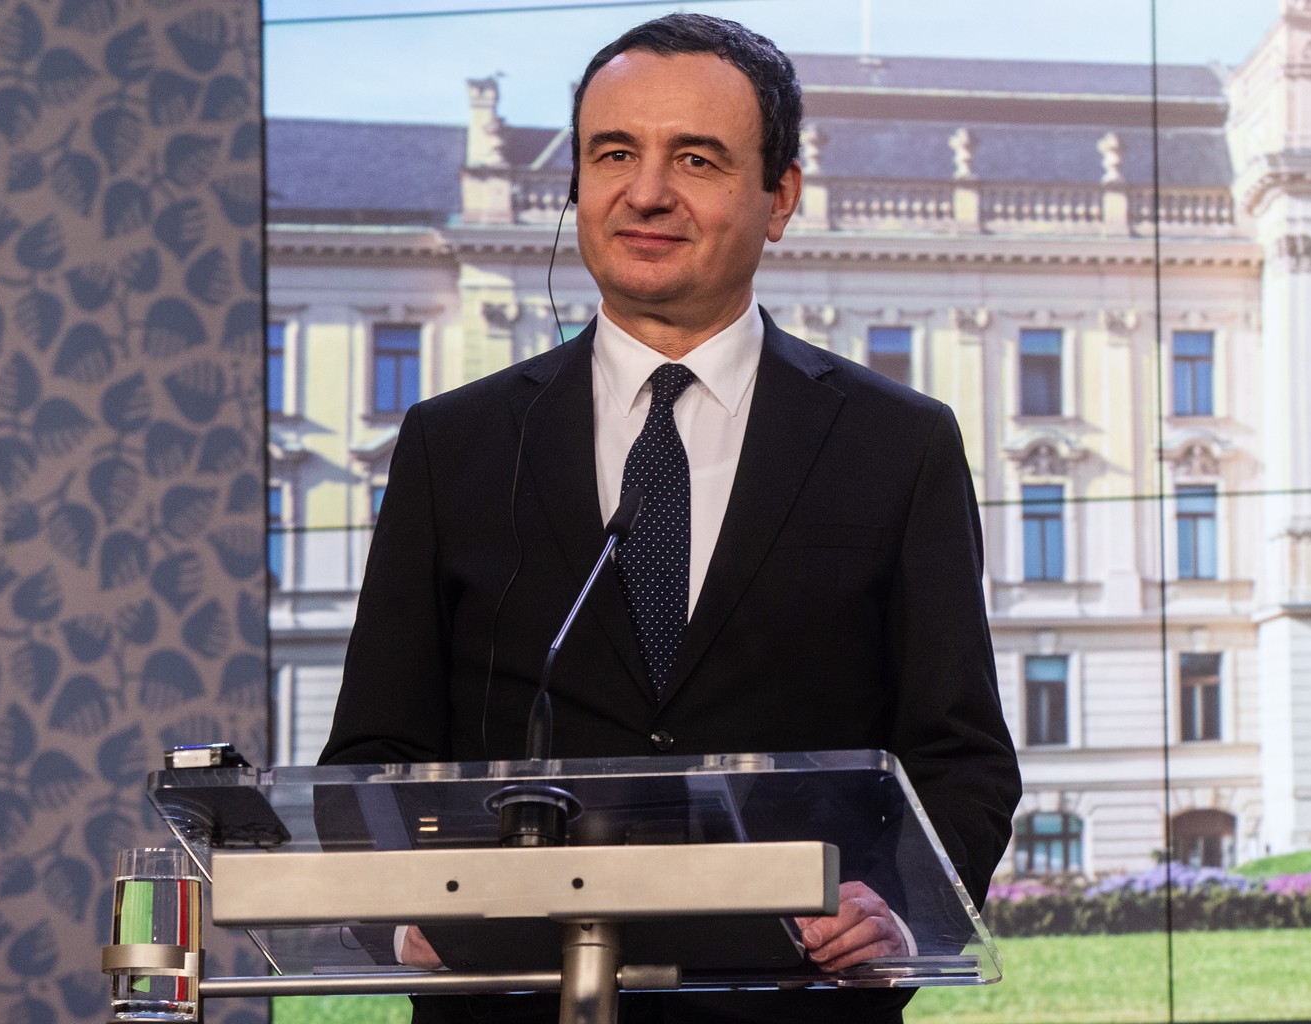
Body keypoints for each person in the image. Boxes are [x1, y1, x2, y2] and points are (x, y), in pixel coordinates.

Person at [321, 13, 1021, 1023]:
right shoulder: (454, 443)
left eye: (696, 158)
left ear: (780, 197)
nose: (646, 192)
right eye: (614, 153)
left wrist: (900, 913)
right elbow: (368, 758)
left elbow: (961, 759)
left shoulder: (897, 442)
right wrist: (400, 919)